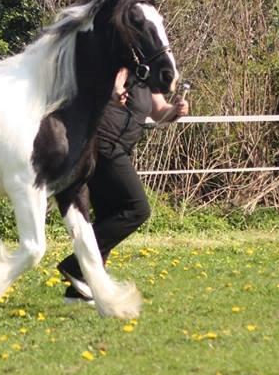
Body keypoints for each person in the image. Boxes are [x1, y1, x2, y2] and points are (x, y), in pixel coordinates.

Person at [57, 67, 189, 304]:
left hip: (118, 148)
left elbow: (159, 112)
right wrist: (115, 89)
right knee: (137, 209)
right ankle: (75, 266)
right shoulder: (118, 64)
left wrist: (176, 111)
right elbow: (96, 89)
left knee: (111, 216)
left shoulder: (148, 76)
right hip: (102, 144)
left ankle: (79, 290)